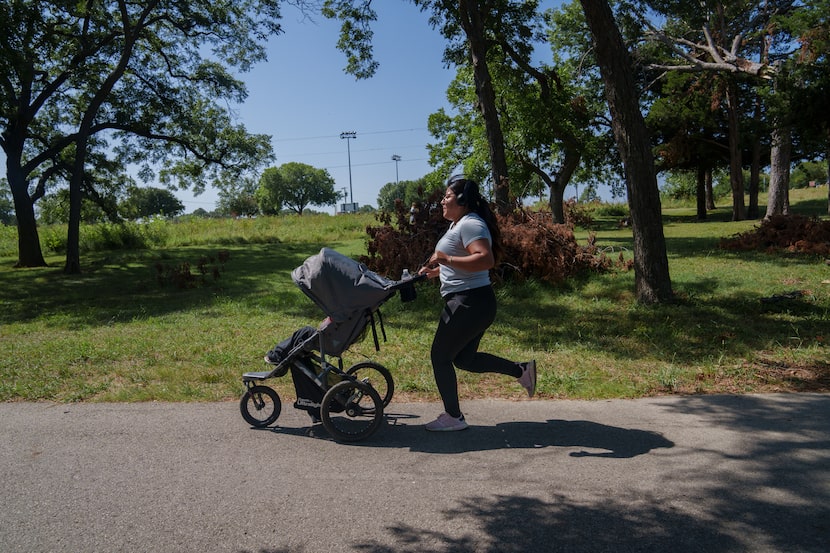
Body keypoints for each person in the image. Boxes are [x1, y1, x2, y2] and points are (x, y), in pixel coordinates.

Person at [417, 176, 536, 432]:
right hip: (472, 300)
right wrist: (437, 272)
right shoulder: (458, 225)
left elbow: (485, 260)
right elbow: (462, 262)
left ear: (461, 200)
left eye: (447, 196)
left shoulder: (471, 224)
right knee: (464, 359)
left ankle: (453, 417)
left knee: (440, 356)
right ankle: (521, 371)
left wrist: (445, 259)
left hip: (469, 301)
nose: (442, 201)